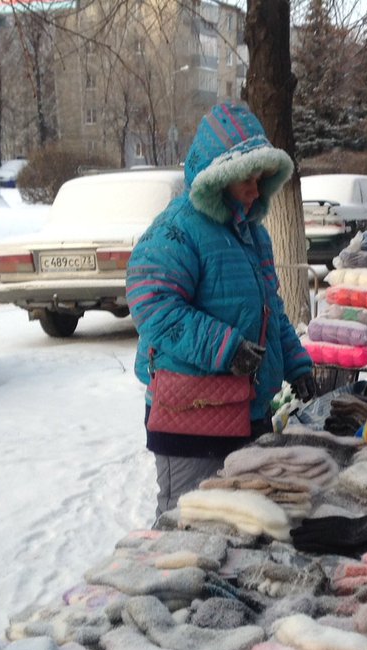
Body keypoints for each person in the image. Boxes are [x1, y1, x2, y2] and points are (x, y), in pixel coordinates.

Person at [126, 102, 316, 519]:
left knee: (237, 524)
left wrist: (297, 364)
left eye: (261, 178)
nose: (255, 189)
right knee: (188, 522)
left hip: (248, 411)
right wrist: (226, 348)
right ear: (218, 178)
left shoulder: (252, 234)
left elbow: (272, 310)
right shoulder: (177, 228)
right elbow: (151, 306)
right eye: (246, 178)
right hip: (190, 420)